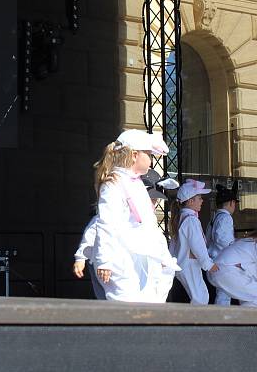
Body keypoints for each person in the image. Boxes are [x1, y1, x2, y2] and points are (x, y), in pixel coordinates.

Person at [92, 130, 179, 303]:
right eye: (148, 154)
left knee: (148, 301)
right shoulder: (114, 183)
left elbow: (149, 224)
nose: (151, 159)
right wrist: (104, 260)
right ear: (134, 155)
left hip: (139, 255)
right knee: (126, 303)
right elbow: (106, 223)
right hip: (120, 256)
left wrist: (162, 255)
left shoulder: (136, 184)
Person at [168, 179, 217, 304]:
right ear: (190, 201)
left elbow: (174, 245)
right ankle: (196, 322)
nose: (202, 201)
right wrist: (208, 264)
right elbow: (197, 245)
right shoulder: (191, 220)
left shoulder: (183, 218)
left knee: (200, 296)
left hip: (185, 263)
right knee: (200, 298)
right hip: (189, 264)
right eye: (199, 198)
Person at [206, 181, 238, 305]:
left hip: (214, 260)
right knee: (224, 295)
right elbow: (221, 238)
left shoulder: (214, 218)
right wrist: (233, 247)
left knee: (223, 294)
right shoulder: (226, 217)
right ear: (231, 203)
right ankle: (222, 320)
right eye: (234, 203)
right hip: (221, 261)